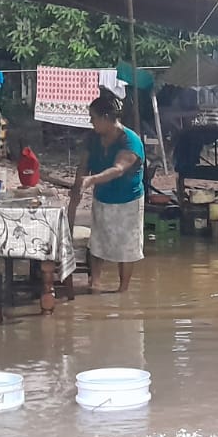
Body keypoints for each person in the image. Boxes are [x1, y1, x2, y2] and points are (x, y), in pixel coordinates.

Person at [70, 94, 146, 293]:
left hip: (128, 200)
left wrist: (91, 180)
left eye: (93, 118)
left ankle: (123, 290)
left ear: (106, 118)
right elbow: (83, 165)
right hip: (102, 197)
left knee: (127, 246)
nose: (91, 121)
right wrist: (78, 186)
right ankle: (95, 283)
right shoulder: (93, 138)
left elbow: (118, 169)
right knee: (97, 242)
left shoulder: (130, 141)